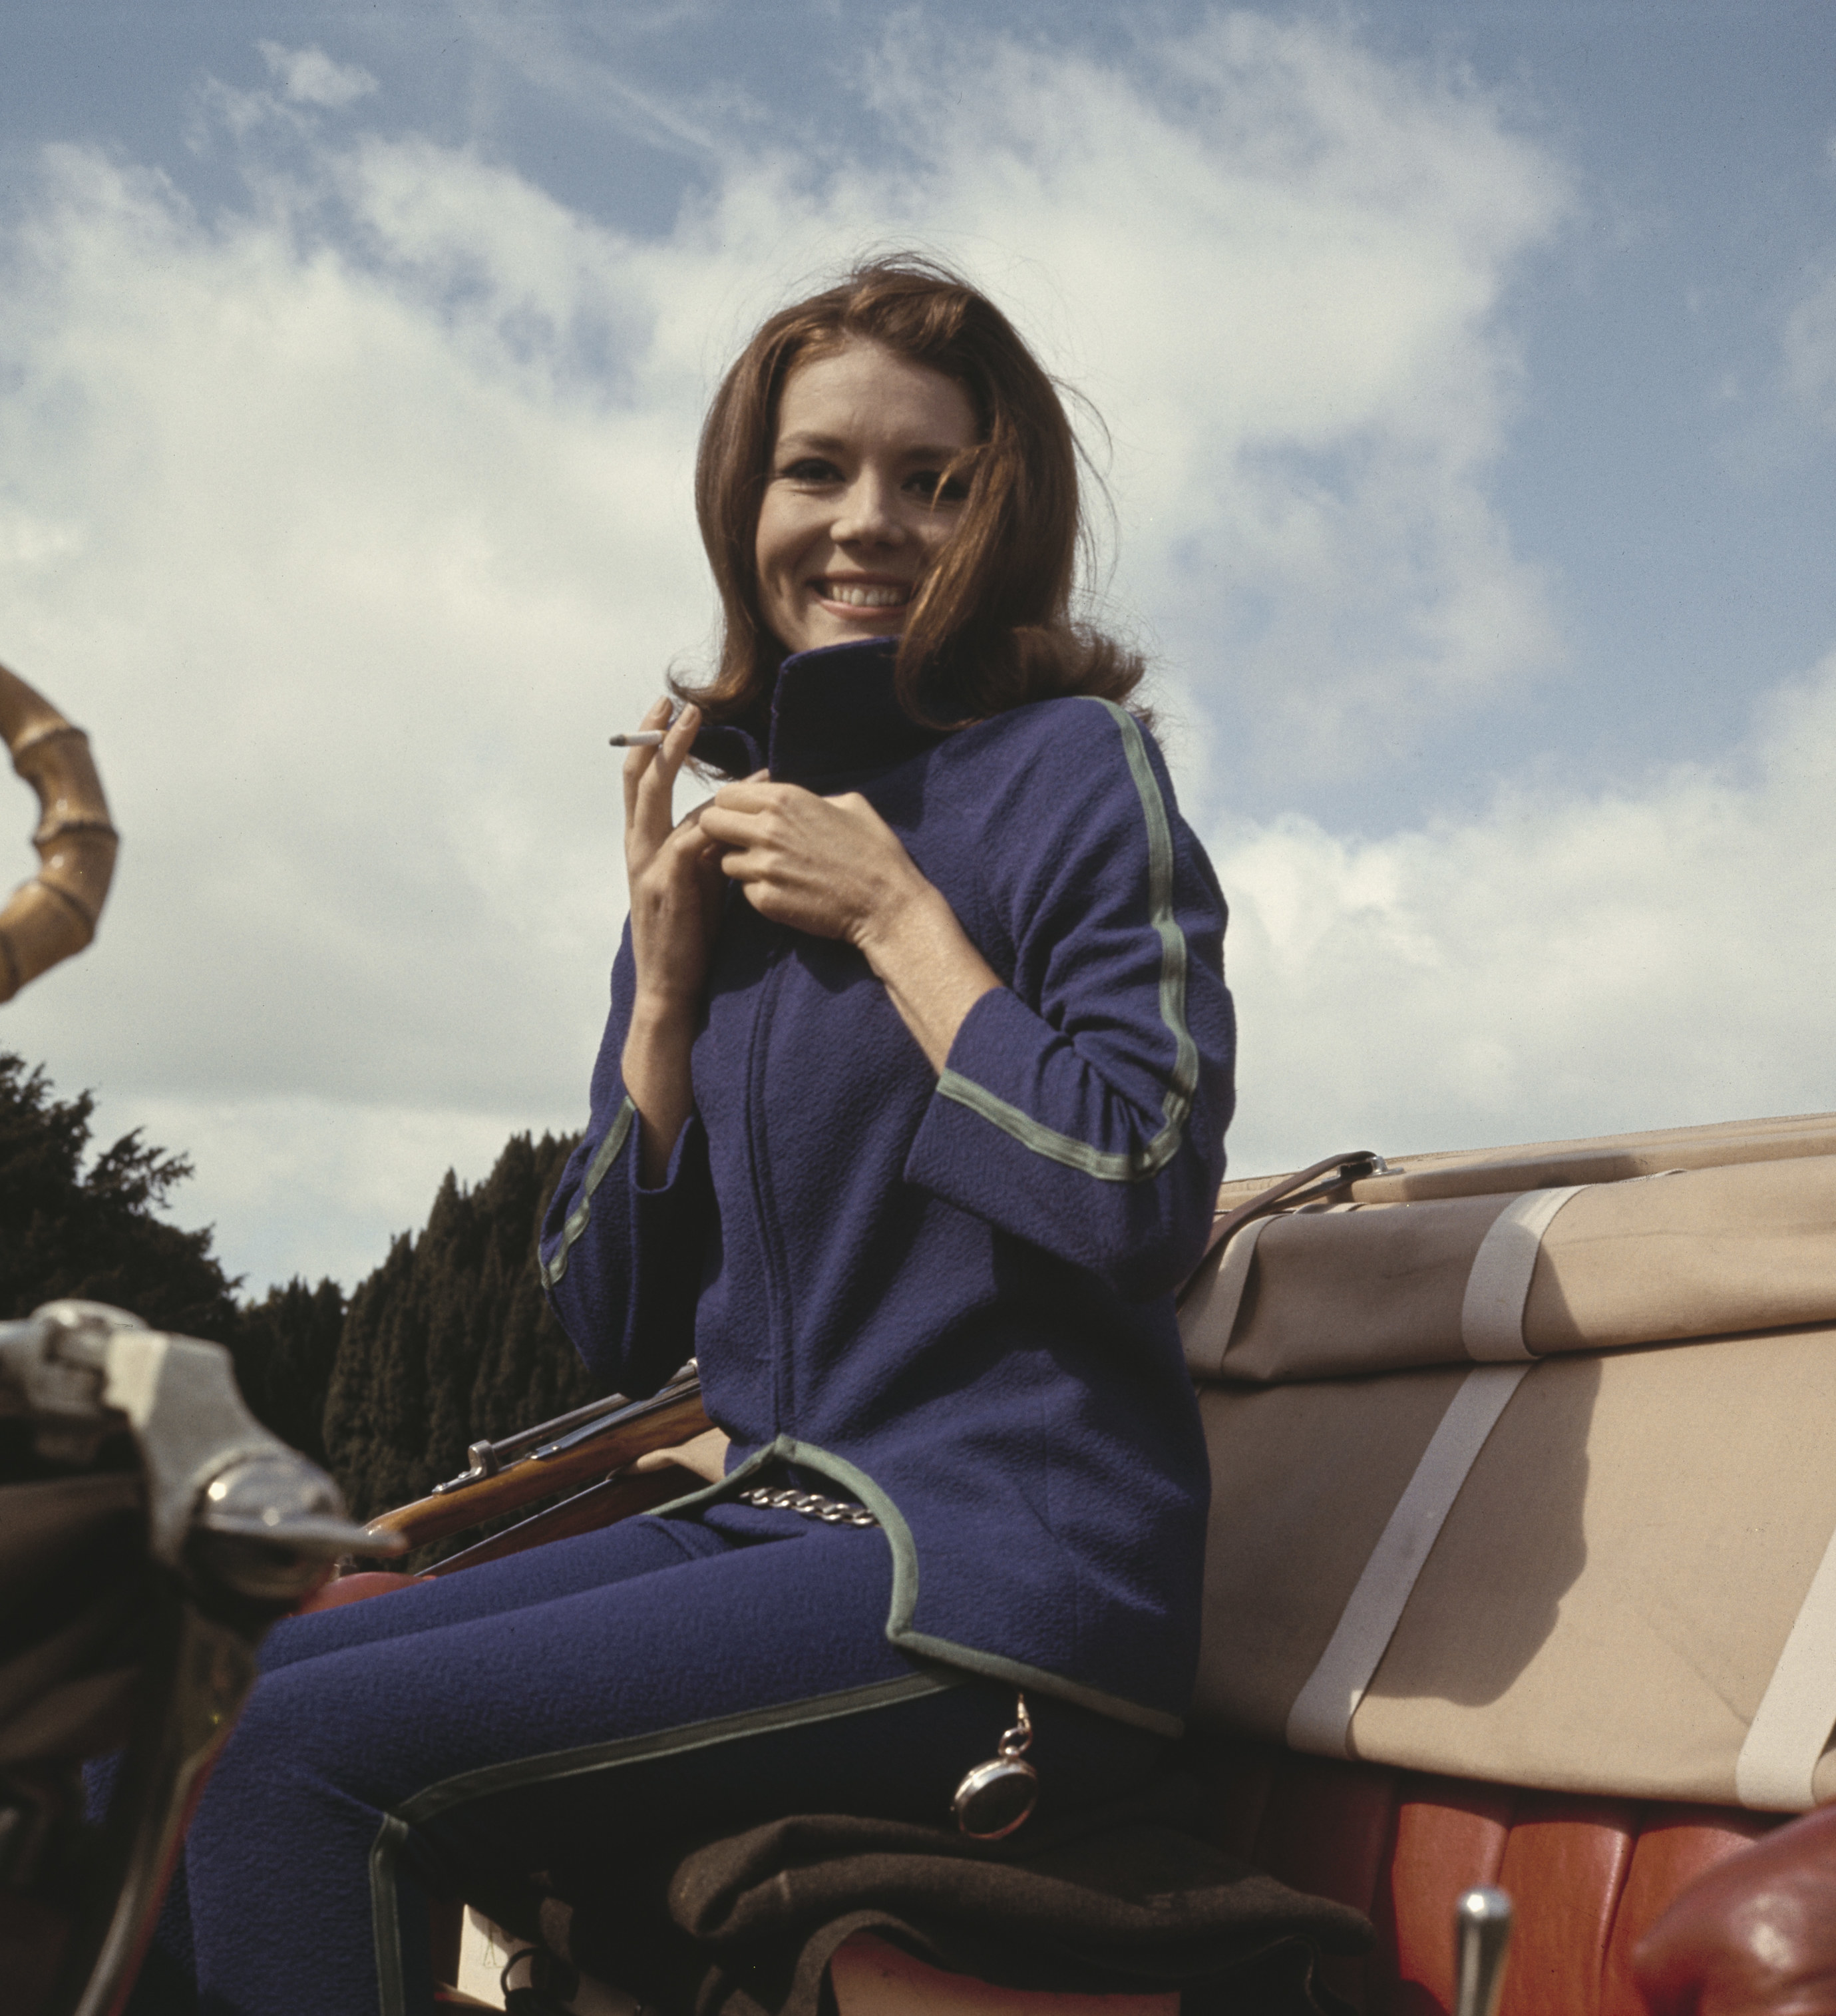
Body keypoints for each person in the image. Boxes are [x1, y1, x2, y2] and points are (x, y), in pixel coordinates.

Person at [129, 258, 1236, 2016]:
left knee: (301, 1755)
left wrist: (901, 923)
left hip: (1010, 1575)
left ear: (996, 516)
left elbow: (1141, 1200)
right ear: (748, 507)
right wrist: (658, 994)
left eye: (931, 480)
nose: (866, 522)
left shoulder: (1079, 771)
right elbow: (612, 1326)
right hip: (768, 1525)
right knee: (201, 1720)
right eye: (818, 471)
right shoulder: (715, 850)